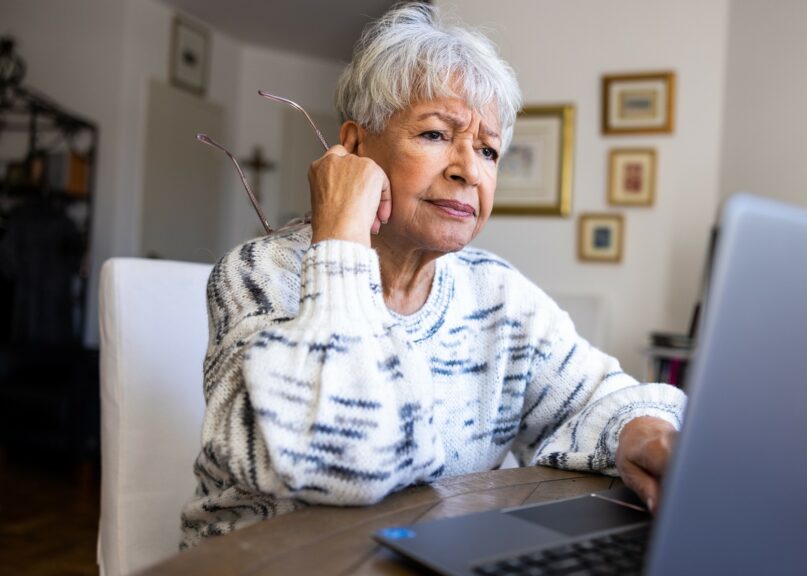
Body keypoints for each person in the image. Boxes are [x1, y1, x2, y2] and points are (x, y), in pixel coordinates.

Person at [180, 2, 685, 548]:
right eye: (436, 135)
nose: (468, 169)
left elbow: (599, 395)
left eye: (488, 150)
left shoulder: (498, 295)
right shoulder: (259, 275)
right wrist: (342, 243)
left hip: (419, 558)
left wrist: (642, 431)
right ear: (352, 147)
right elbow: (345, 459)